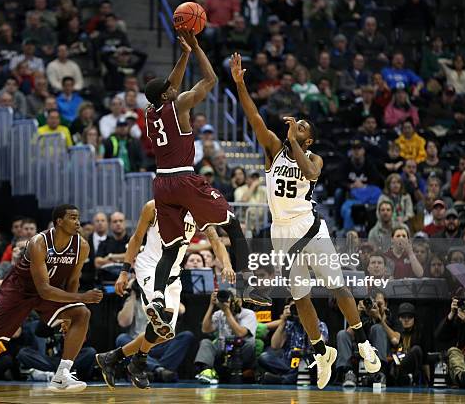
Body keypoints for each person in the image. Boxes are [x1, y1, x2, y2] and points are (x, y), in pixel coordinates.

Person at [231, 52, 380, 389]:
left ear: (308, 139)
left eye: (301, 128)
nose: (293, 127)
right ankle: (320, 351)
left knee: (336, 285)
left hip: (309, 227)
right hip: (280, 231)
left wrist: (295, 142)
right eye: (293, 125)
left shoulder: (314, 157)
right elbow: (253, 115)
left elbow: (310, 172)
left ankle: (362, 343)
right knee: (300, 297)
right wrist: (240, 84)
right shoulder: (272, 148)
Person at [142, 31, 256, 347]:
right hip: (184, 179)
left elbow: (169, 85)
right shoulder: (180, 105)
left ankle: (156, 297)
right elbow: (210, 79)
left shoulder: (151, 112)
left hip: (161, 183)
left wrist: (184, 55)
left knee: (170, 249)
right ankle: (247, 287)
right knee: (233, 224)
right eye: (169, 89)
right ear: (167, 95)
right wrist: (198, 47)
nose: (173, 87)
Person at [0, 205, 103, 396]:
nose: (78, 222)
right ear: (59, 222)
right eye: (73, 218)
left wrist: (70, 311)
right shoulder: (38, 243)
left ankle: (62, 374)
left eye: (78, 218)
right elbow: (43, 289)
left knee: (81, 313)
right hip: (19, 292)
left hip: (51, 292)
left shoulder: (82, 246)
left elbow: (73, 280)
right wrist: (81, 297)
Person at [97, 200, 233, 388]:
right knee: (161, 317)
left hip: (174, 273)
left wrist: (227, 264)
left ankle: (114, 358)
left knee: (166, 333)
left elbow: (216, 241)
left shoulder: (198, 209)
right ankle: (139, 361)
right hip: (150, 267)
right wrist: (124, 271)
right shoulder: (153, 207)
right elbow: (136, 238)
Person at [194, 289, 258, 384]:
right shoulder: (219, 313)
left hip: (241, 352)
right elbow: (205, 329)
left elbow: (240, 333)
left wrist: (227, 311)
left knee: (250, 343)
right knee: (206, 342)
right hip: (224, 351)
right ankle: (206, 371)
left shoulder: (248, 314)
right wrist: (211, 305)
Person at [258, 300, 329, 384]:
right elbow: (275, 346)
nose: (298, 310)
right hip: (288, 361)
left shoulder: (318, 324)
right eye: (294, 308)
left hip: (308, 361)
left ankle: (285, 379)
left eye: (300, 307)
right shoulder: (289, 324)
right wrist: (283, 321)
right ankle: (290, 376)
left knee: (312, 362)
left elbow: (319, 346)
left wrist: (309, 322)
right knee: (264, 357)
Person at [335, 290, 391, 387]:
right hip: (360, 348)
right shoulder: (363, 314)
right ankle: (348, 373)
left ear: (385, 303)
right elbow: (347, 334)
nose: (373, 305)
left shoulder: (387, 315)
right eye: (371, 302)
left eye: (378, 303)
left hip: (378, 350)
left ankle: (379, 374)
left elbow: (394, 338)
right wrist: (357, 314)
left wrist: (379, 317)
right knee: (342, 334)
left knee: (378, 328)